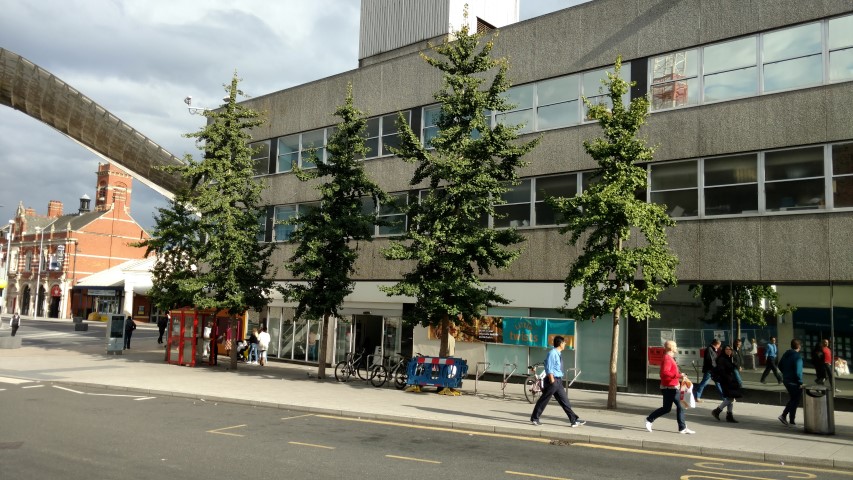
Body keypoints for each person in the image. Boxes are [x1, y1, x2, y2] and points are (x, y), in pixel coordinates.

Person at [529, 336, 586, 427]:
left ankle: (574, 420)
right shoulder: (552, 353)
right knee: (544, 400)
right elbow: (549, 367)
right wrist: (552, 380)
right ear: (560, 344)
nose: (565, 344)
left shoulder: (558, 353)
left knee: (565, 401)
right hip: (553, 380)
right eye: (564, 343)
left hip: (558, 381)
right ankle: (535, 418)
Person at [645, 340, 694, 434]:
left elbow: (667, 372)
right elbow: (664, 373)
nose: (676, 347)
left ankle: (649, 420)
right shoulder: (667, 358)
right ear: (671, 348)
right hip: (669, 388)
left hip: (670, 387)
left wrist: (680, 374)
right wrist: (679, 376)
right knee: (678, 406)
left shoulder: (669, 358)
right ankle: (649, 420)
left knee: (668, 408)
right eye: (675, 346)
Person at [711, 344, 742, 423]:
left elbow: (734, 366)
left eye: (730, 349)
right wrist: (727, 377)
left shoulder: (730, 358)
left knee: (730, 397)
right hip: (726, 381)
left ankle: (729, 415)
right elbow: (721, 370)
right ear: (724, 350)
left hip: (730, 380)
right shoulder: (721, 359)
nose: (729, 351)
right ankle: (717, 411)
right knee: (730, 398)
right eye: (727, 349)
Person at [778, 339, 803, 426]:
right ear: (799, 346)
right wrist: (800, 382)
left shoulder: (786, 354)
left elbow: (779, 365)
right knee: (795, 400)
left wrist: (785, 373)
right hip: (794, 381)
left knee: (793, 398)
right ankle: (788, 418)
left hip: (786, 379)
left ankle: (787, 417)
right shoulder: (797, 356)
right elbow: (798, 372)